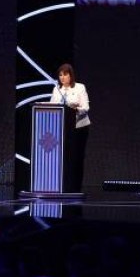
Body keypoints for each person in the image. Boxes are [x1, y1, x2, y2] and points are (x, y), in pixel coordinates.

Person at [49, 63, 90, 191]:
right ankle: (62, 185)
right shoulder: (57, 90)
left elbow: (86, 108)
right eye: (60, 75)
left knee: (76, 157)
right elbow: (51, 106)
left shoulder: (80, 88)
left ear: (71, 75)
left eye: (65, 74)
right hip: (61, 129)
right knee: (63, 157)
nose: (62, 77)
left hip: (79, 128)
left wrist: (75, 108)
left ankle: (76, 187)